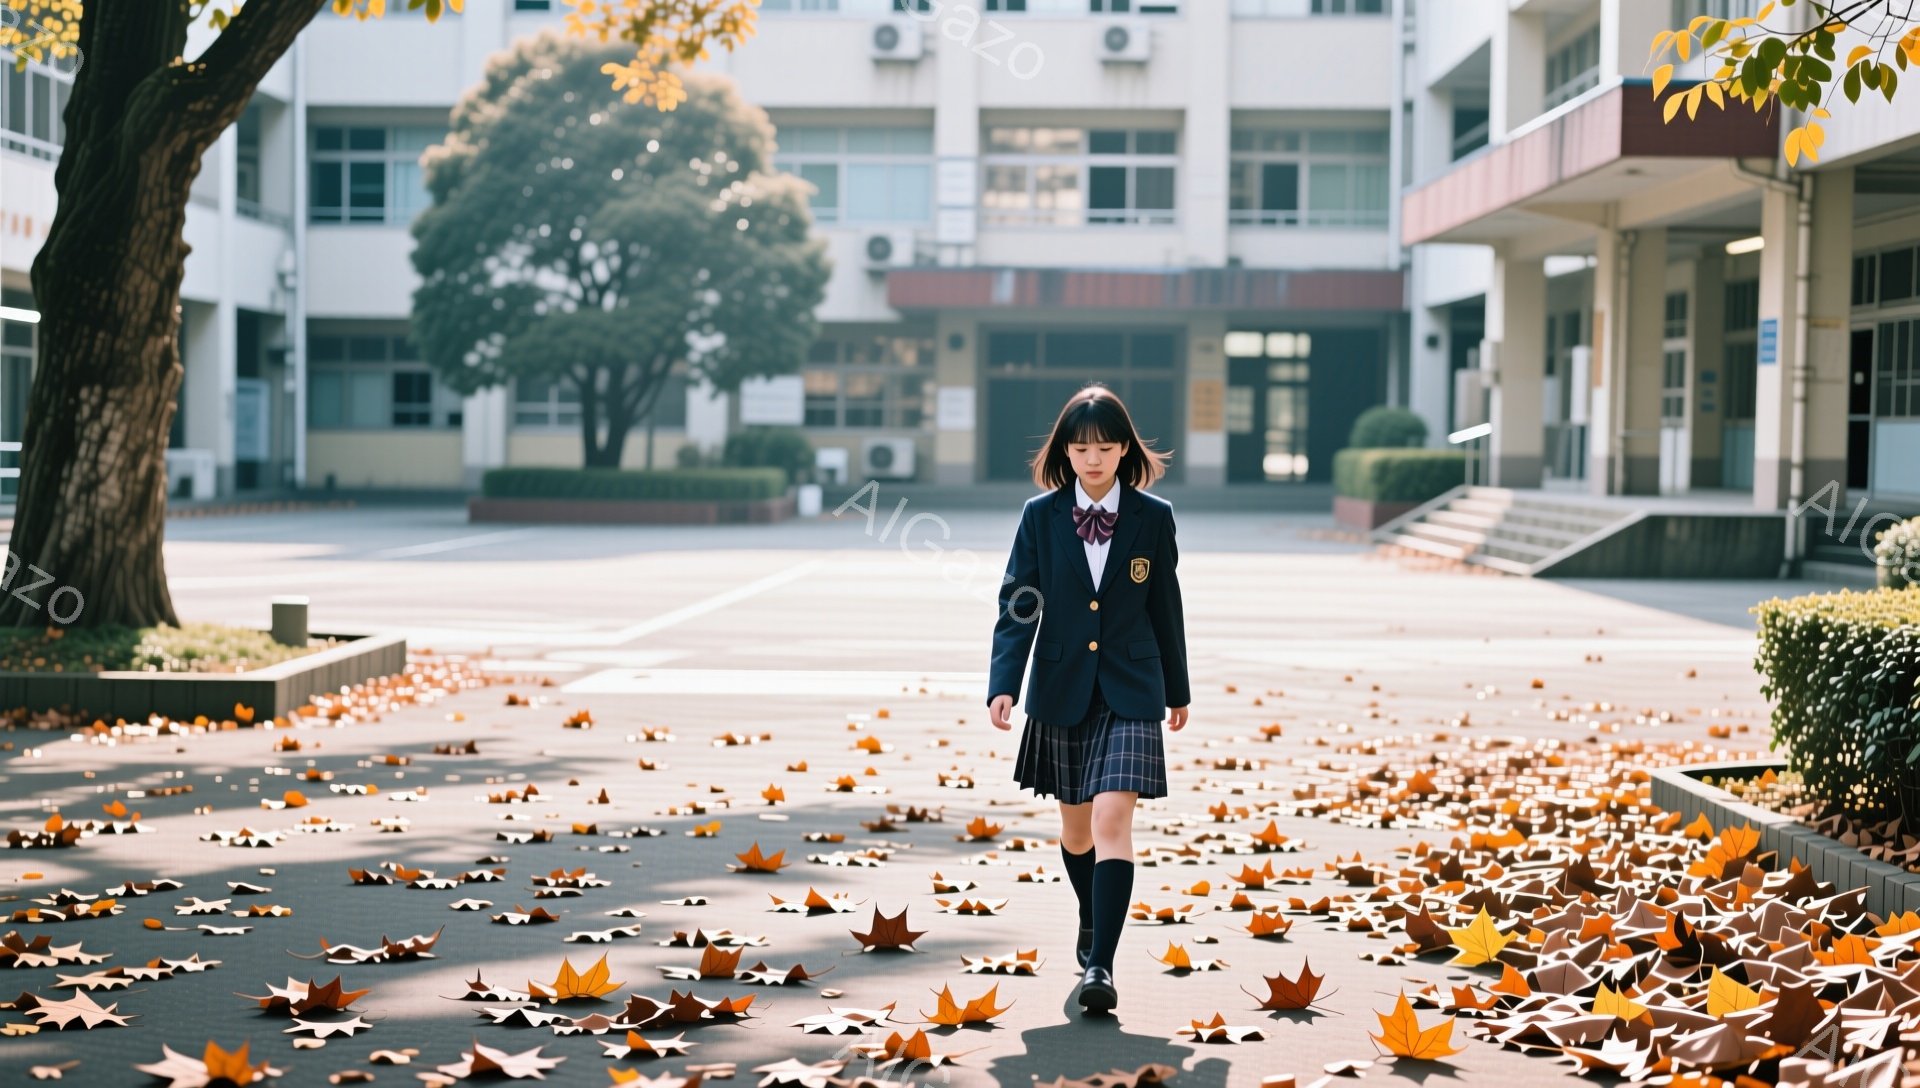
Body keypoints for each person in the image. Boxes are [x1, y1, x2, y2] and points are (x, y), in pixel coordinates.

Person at [986, 383, 1191, 1016]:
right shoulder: (1039, 516)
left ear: (1125, 448)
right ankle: (1090, 913)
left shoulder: (1154, 516)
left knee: (1111, 823)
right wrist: (1004, 681)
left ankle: (1101, 963)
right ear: (1065, 452)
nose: (1093, 458)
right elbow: (1020, 603)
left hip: (1133, 689)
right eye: (1081, 448)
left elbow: (1166, 605)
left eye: (1105, 446)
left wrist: (1177, 688)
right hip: (1061, 687)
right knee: (1077, 831)